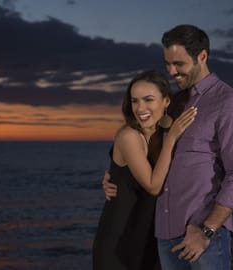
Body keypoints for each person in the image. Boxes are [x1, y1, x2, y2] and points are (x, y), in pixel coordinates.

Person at [103, 25, 233, 270]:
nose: (172, 71)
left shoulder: (229, 103)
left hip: (201, 235)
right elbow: (145, 149)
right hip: (164, 235)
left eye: (179, 64)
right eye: (167, 63)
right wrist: (116, 176)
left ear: (202, 57)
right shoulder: (173, 104)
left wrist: (206, 231)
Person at [92, 70, 197, 270]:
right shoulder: (129, 136)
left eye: (148, 99)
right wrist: (172, 139)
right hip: (120, 240)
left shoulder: (166, 132)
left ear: (166, 102)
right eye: (134, 101)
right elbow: (153, 186)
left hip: (152, 238)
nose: (140, 108)